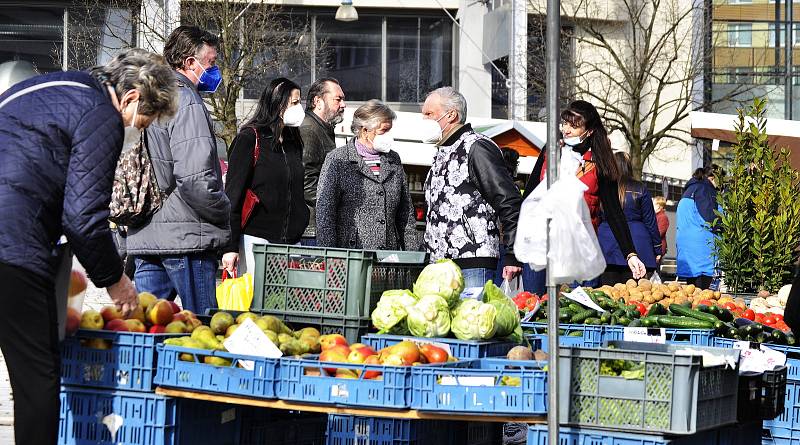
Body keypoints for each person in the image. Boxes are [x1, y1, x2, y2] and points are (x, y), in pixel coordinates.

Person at [0, 48, 176, 445]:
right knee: (37, 375)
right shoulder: (100, 114)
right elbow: (84, 217)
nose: (139, 130)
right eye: (144, 122)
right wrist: (116, 281)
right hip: (12, 244)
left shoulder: (53, 86)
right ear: (131, 98)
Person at [127, 26, 231, 315]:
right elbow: (196, 177)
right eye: (210, 63)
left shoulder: (144, 97)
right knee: (202, 328)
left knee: (147, 330)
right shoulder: (185, 100)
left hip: (145, 235)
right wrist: (223, 211)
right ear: (189, 62)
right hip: (186, 238)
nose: (214, 70)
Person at [522, 101, 646, 292]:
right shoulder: (550, 152)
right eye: (564, 124)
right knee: (534, 307)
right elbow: (528, 197)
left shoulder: (600, 162)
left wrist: (630, 254)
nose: (566, 130)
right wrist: (510, 254)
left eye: (574, 125)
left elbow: (614, 212)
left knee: (574, 312)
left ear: (589, 130)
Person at [420, 87, 523, 288]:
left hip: (472, 261)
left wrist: (513, 253)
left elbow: (508, 199)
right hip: (441, 265)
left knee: (473, 318)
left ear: (451, 115)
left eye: (429, 114)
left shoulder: (476, 147)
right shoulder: (444, 151)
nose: (423, 120)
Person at [221, 78, 310, 274]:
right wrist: (230, 247)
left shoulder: (293, 142)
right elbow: (233, 196)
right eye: (294, 102)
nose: (299, 108)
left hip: (291, 241)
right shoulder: (249, 139)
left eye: (299, 102)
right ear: (278, 104)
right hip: (256, 239)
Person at [316, 100, 416, 250]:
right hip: (352, 255)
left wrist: (412, 254)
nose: (388, 136)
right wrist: (330, 255)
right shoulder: (338, 159)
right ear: (364, 131)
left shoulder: (393, 159)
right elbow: (325, 212)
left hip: (388, 256)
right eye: (384, 131)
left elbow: (405, 213)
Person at [598, 152, 662, 285]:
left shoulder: (603, 187)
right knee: (635, 296)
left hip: (607, 243)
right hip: (638, 243)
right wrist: (657, 248)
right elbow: (650, 222)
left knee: (606, 294)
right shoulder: (639, 188)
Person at [300, 77, 346, 245]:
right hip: (311, 229)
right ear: (317, 101)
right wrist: (334, 207)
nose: (343, 105)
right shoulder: (309, 129)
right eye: (338, 99)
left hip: (318, 225)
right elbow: (306, 181)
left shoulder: (322, 128)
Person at [676, 166, 719, 289]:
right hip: (702, 247)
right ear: (712, 178)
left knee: (692, 291)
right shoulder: (706, 190)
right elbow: (711, 218)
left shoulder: (689, 189)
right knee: (704, 295)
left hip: (687, 246)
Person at [653, 195, 669, 263]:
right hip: (655, 247)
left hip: (658, 248)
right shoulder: (656, 216)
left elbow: (659, 233)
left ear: (659, 206)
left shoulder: (662, 217)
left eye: (654, 204)